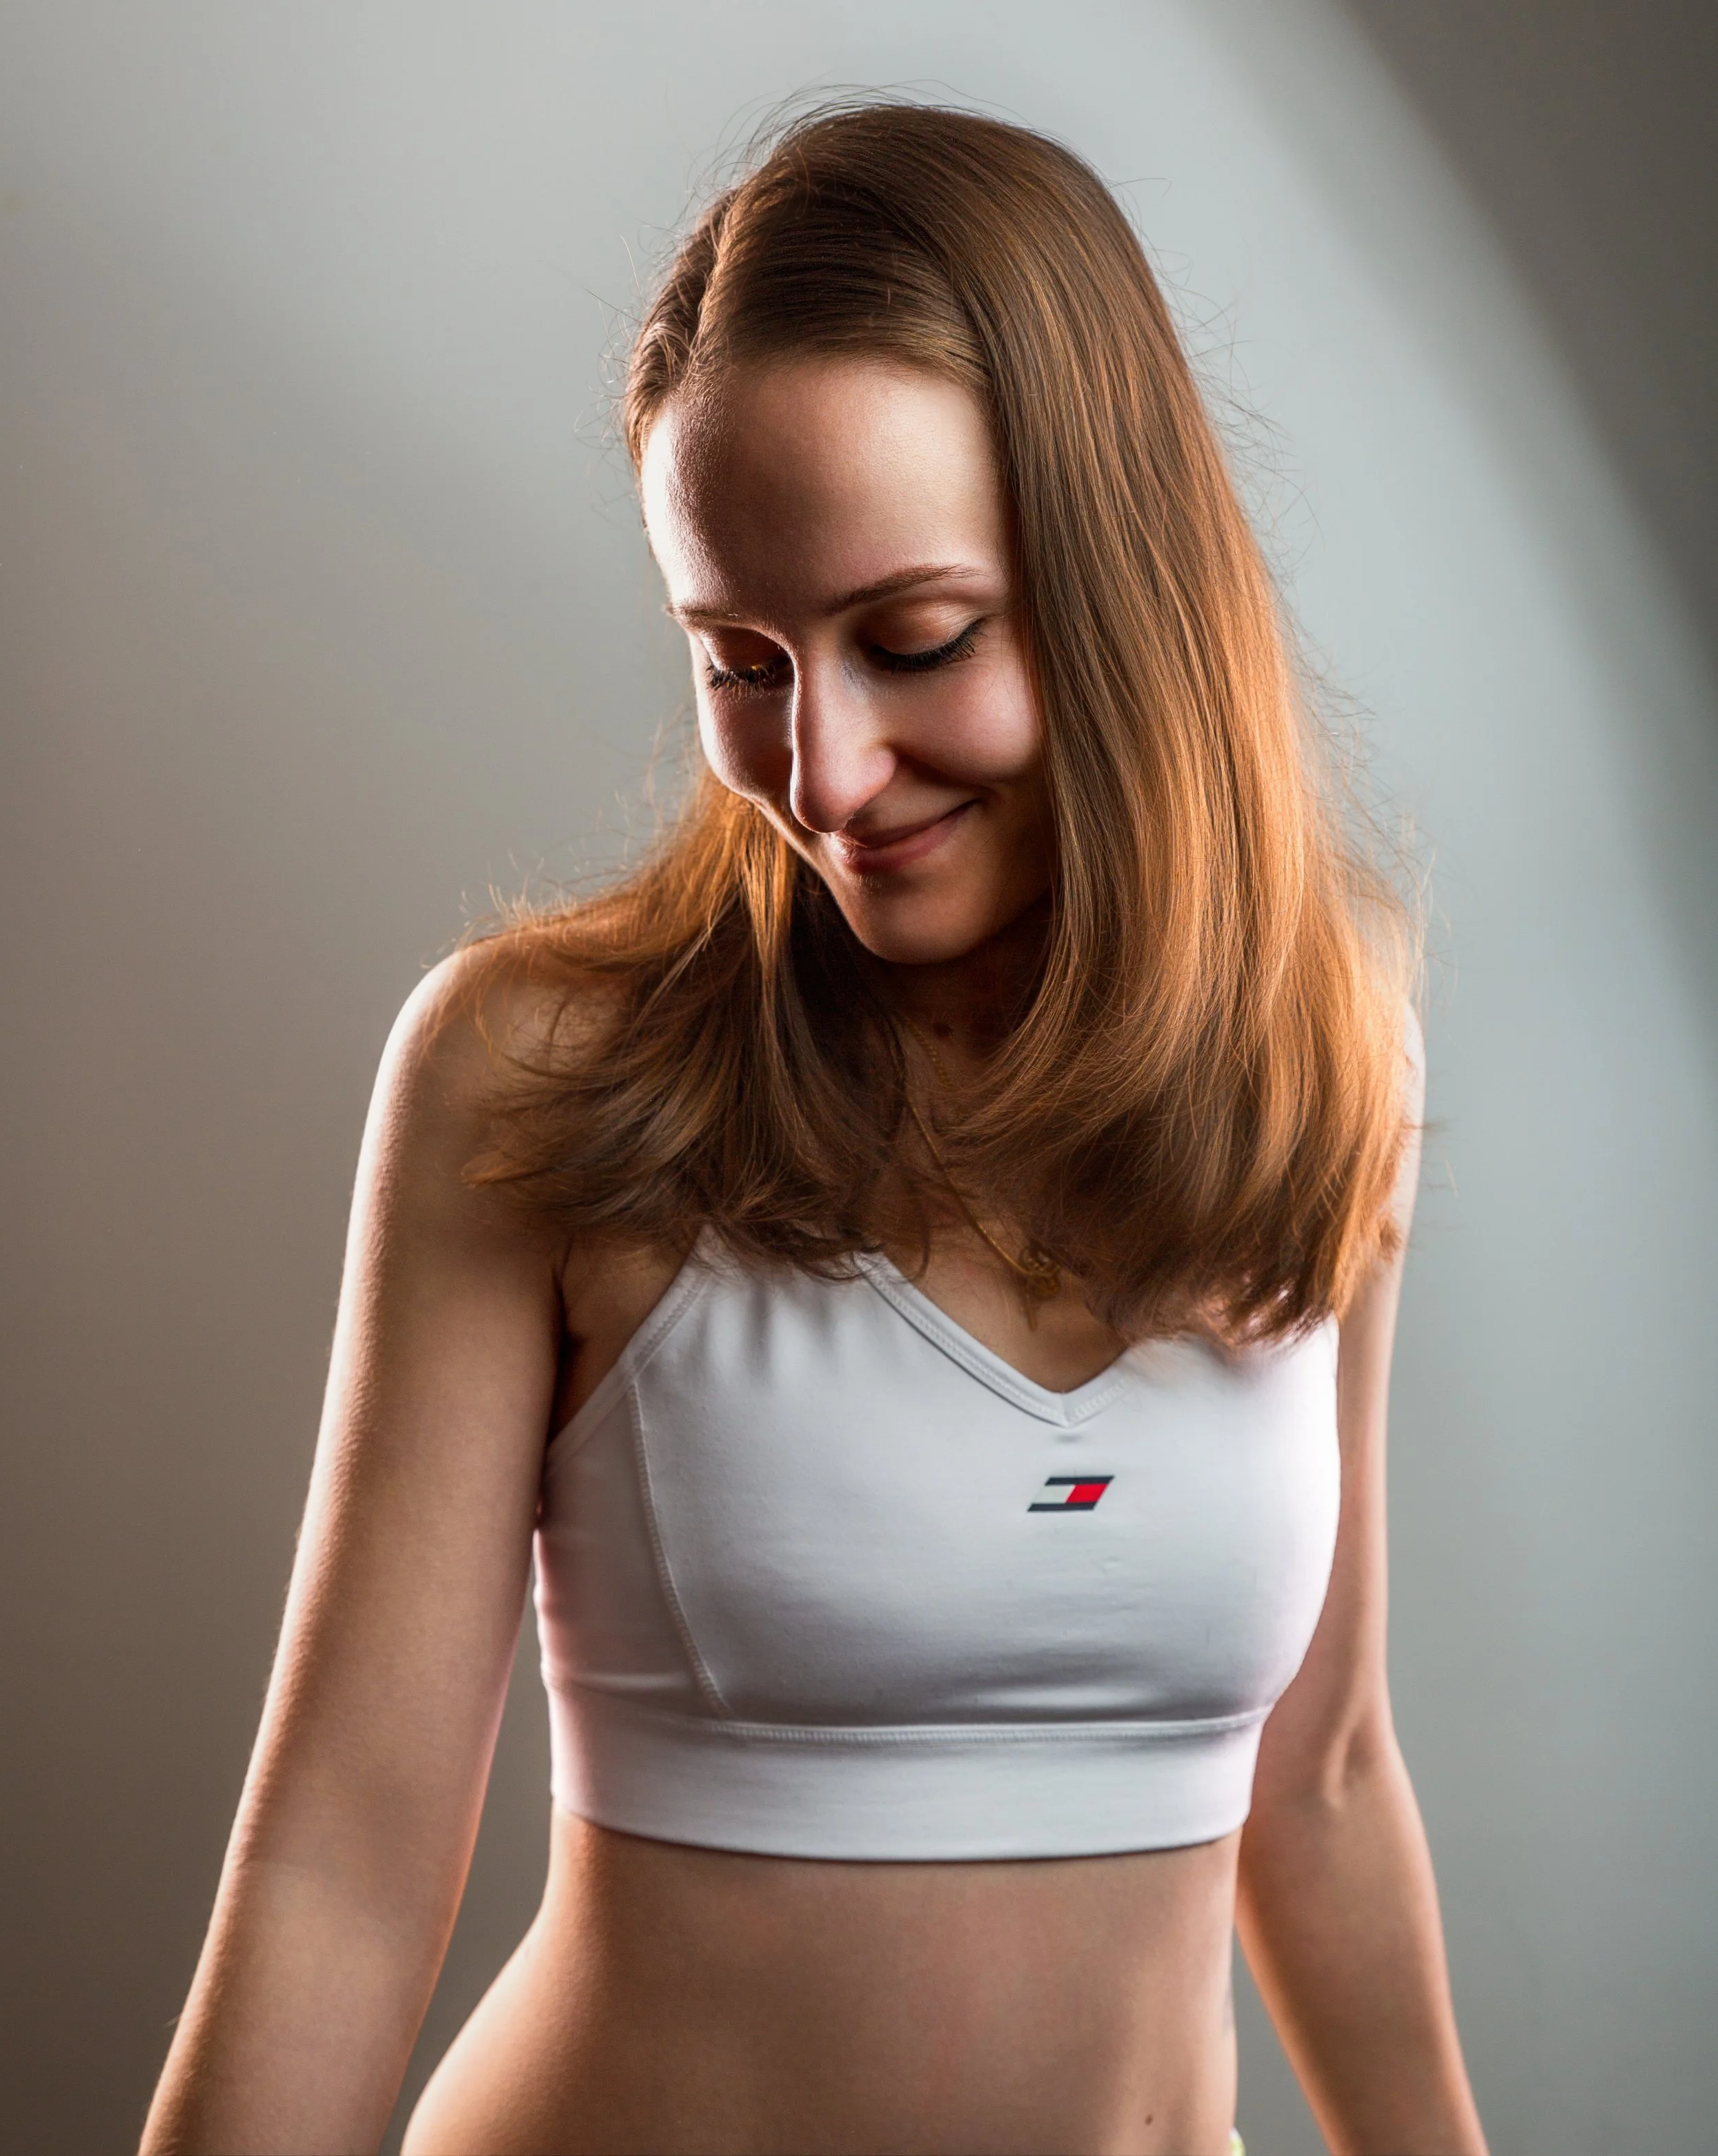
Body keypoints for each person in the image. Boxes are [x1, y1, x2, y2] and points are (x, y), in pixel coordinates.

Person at [141, 102, 1488, 2156]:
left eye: (914, 640)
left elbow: (1320, 1773)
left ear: (1120, 591)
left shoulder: (1330, 1041)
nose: (826, 772)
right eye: (738, 662)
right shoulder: (532, 1072)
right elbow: (341, 1853)